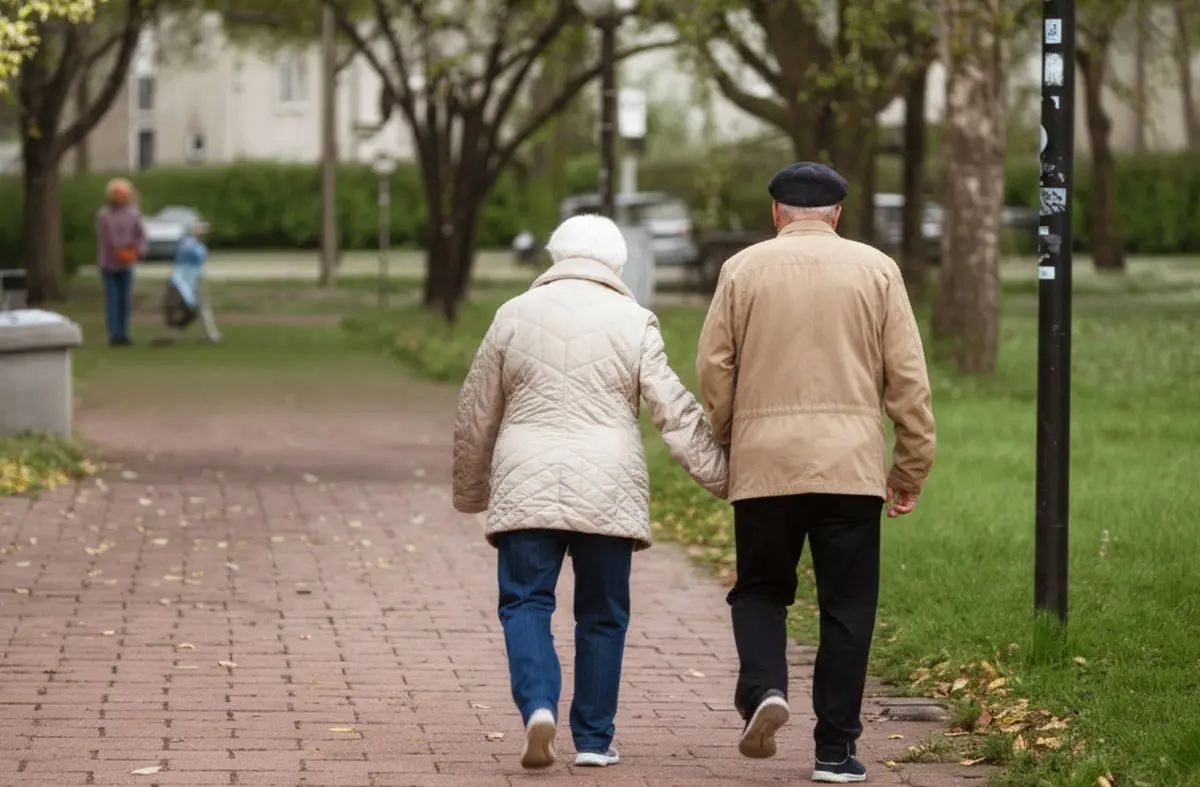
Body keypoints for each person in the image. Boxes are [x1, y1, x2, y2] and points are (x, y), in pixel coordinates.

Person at [453, 214, 728, 771]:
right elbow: (672, 409)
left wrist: (471, 489)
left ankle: (536, 706)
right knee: (602, 613)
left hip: (525, 478)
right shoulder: (634, 319)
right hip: (609, 483)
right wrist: (722, 476)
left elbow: (476, 411)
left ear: (555, 256)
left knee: (526, 601)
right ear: (617, 264)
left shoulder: (512, 315)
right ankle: (596, 741)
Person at [696, 162, 936, 783]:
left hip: (765, 465)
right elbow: (908, 380)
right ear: (837, 214)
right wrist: (909, 467)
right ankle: (835, 751)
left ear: (776, 213)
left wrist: (731, 437)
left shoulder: (741, 270)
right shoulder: (877, 270)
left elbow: (715, 368)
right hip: (850, 469)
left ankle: (765, 688)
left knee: (759, 588)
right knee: (848, 607)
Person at [95, 178, 147, 346]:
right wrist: (115, 253)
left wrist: (136, 252)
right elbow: (104, 240)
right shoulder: (104, 214)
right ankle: (114, 334)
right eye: (116, 193)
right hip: (109, 264)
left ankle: (123, 333)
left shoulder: (133, 214)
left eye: (122, 194)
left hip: (127, 263)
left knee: (125, 299)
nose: (119, 197)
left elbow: (141, 236)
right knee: (112, 299)